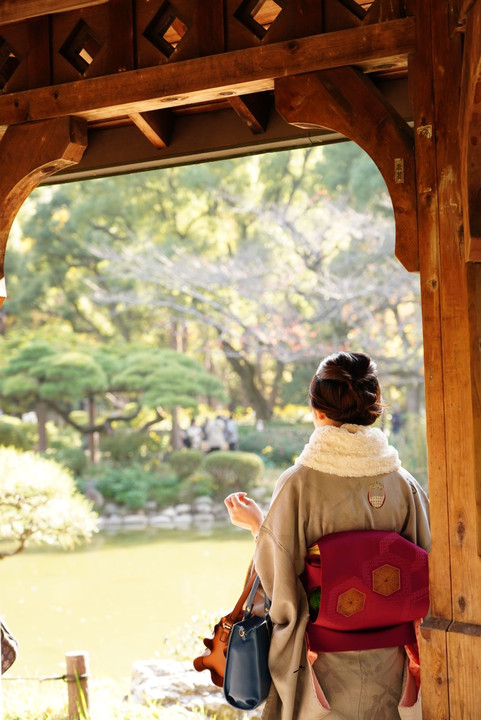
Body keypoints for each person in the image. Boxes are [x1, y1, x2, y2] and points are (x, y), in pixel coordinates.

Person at [224, 352, 430, 720]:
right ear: (374, 408)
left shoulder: (298, 483)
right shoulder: (403, 483)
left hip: (321, 667)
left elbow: (279, 587)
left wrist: (259, 526)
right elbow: (428, 566)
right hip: (393, 663)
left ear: (318, 411)